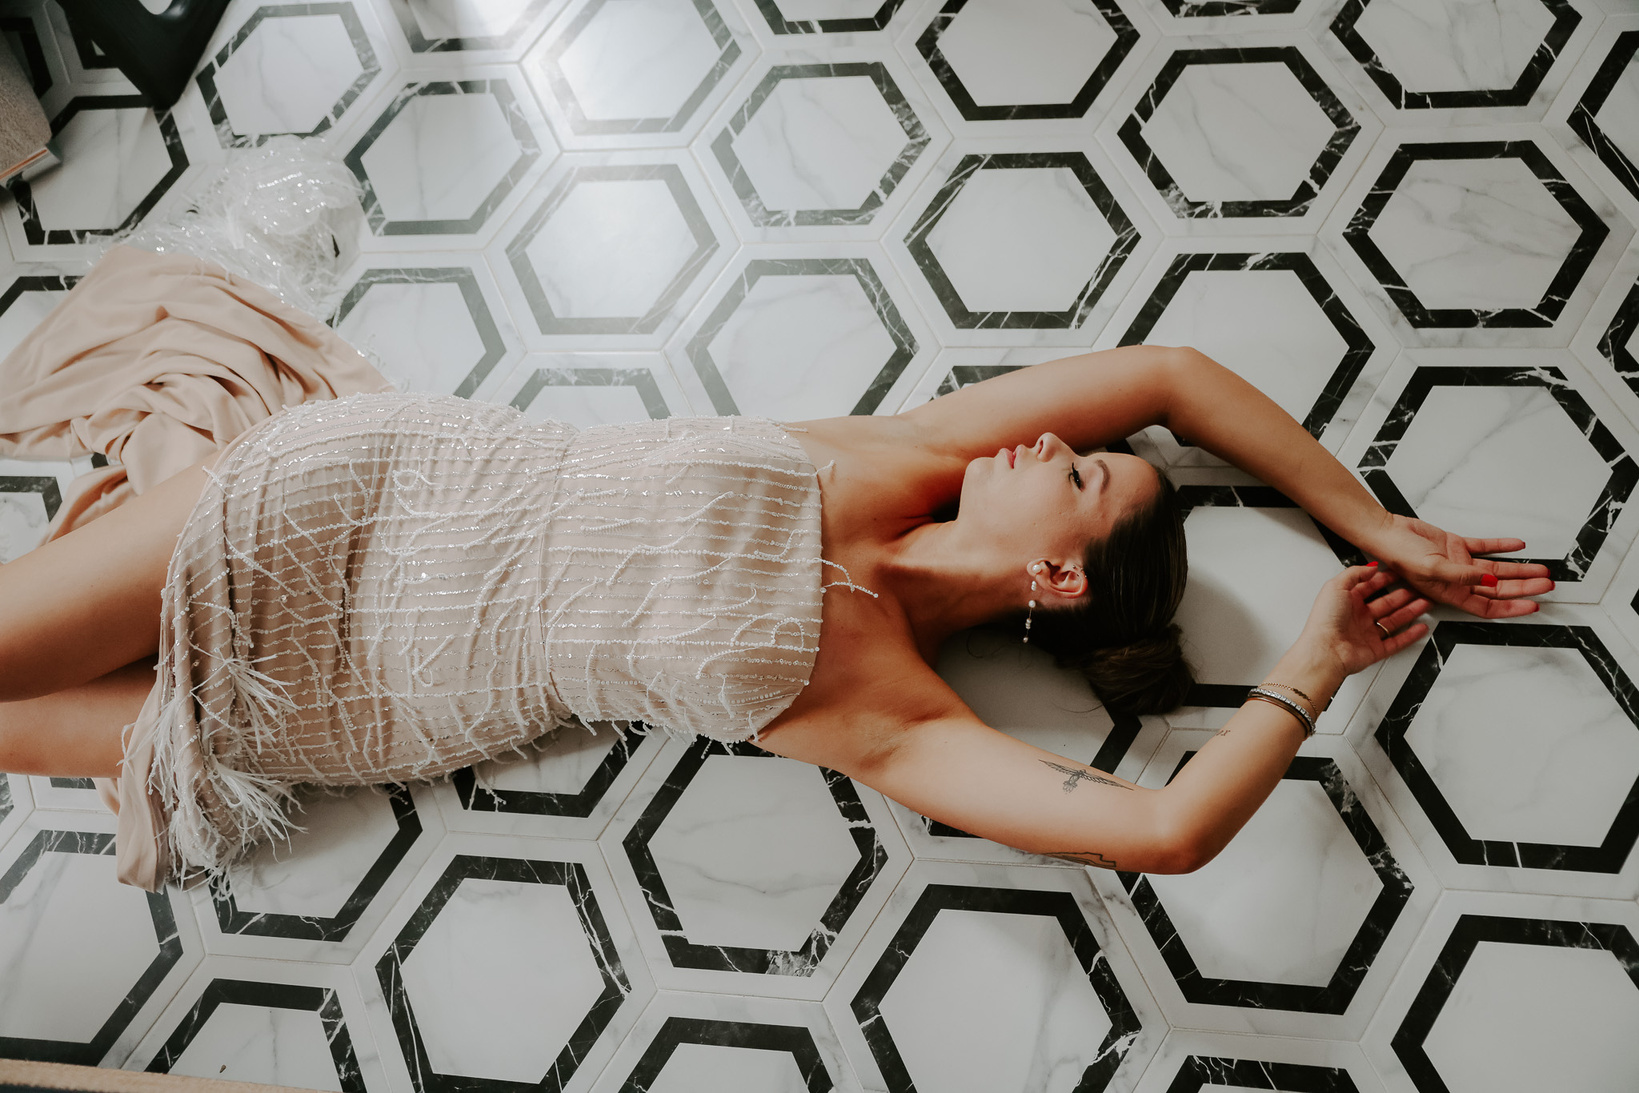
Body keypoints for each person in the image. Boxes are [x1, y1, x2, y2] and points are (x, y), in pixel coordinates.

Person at [0, 251, 1552, 892]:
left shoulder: (886, 707)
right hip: (344, 500)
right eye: (1078, 446)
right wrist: (1376, 521)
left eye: (1077, 477)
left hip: (360, 696)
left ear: (1059, 584)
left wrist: (1316, 661)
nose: (1047, 441)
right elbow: (1170, 370)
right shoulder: (896, 454)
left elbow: (1164, 829)